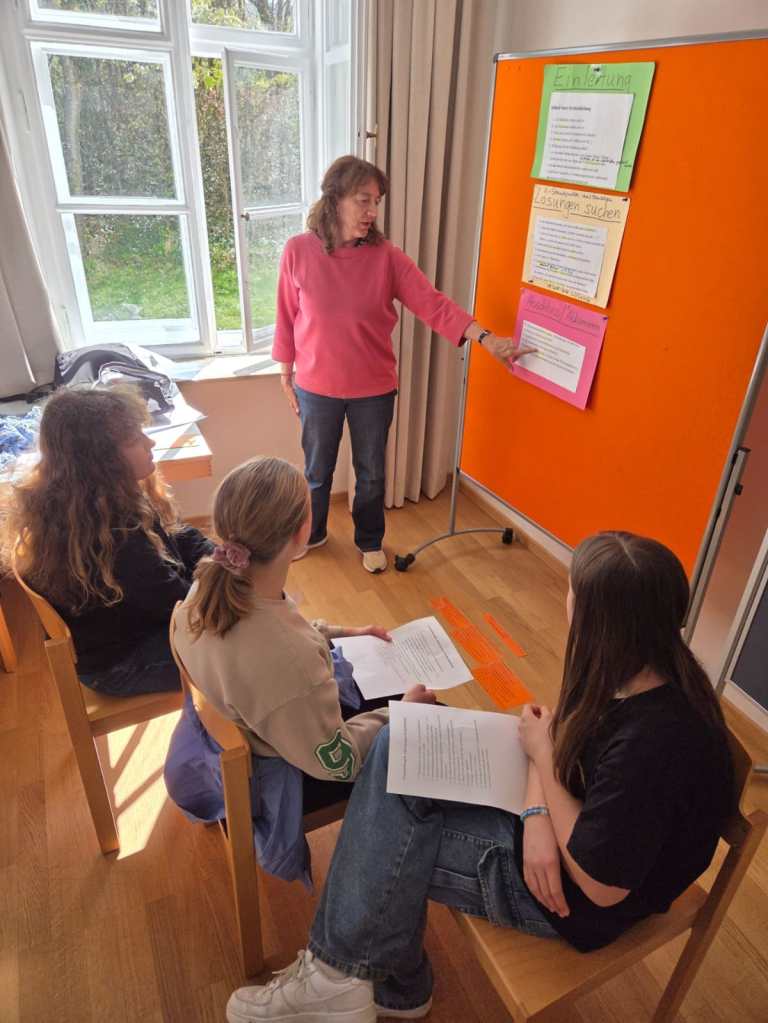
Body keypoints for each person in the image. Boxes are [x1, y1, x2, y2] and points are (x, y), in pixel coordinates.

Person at [225, 531, 733, 1023]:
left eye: (572, 595)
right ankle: (382, 983)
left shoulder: (654, 744)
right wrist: (536, 807)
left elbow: (601, 887)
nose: (567, 604)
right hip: (550, 830)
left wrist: (541, 781)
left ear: (602, 623)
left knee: (382, 829)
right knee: (397, 743)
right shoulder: (638, 666)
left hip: (567, 895)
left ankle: (348, 979)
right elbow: (553, 737)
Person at [166, 456, 435, 884]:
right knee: (431, 718)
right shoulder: (287, 661)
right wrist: (403, 715)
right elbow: (339, 763)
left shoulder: (208, 583)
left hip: (245, 726)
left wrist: (340, 632)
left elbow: (277, 633)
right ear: (300, 533)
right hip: (284, 774)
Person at [273, 155, 534, 575]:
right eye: (363, 200)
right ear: (335, 198)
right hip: (316, 386)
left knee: (371, 474)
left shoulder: (386, 257)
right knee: (317, 472)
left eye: (376, 201)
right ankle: (313, 532)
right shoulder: (298, 251)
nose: (372, 211)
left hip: (373, 390)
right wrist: (285, 374)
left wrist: (487, 339)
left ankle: (369, 540)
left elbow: (433, 304)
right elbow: (286, 314)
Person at [8, 385, 212, 695]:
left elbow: (177, 533)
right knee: (250, 644)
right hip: (121, 663)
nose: (150, 442)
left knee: (252, 616)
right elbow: (180, 606)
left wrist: (215, 555)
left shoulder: (99, 499)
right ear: (99, 461)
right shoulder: (113, 534)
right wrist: (227, 577)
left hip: (140, 626)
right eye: (134, 440)